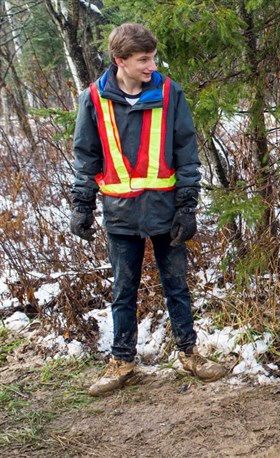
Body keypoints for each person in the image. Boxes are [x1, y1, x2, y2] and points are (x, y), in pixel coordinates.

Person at [70, 23, 227, 396]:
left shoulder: (171, 93)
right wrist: (81, 205)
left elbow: (187, 153)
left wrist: (187, 207)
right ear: (120, 60)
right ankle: (122, 362)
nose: (152, 66)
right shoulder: (94, 99)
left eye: (153, 58)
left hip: (166, 211)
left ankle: (189, 354)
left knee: (177, 287)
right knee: (123, 291)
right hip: (120, 214)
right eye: (143, 59)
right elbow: (86, 156)